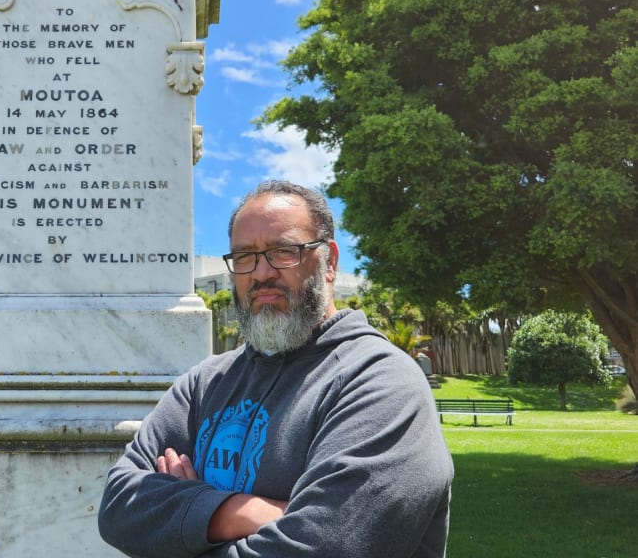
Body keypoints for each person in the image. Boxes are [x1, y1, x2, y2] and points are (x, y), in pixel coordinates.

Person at [98, 180, 454, 558]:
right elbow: (119, 506)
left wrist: (184, 521)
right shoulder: (203, 384)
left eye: (284, 252)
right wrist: (248, 512)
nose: (260, 273)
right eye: (245, 257)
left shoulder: (380, 382)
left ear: (329, 262)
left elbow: (325, 547)